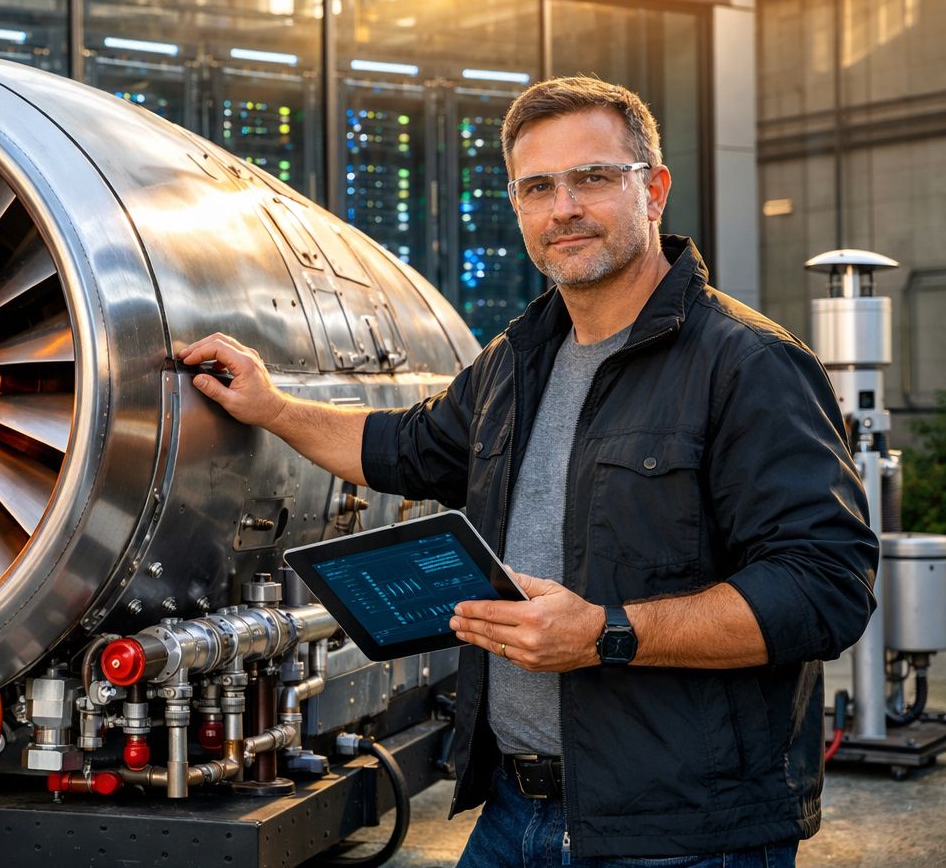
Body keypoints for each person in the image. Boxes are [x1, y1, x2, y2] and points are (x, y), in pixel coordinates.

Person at [178, 76, 878, 867]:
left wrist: (606, 634)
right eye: (537, 187)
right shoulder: (516, 360)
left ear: (654, 189)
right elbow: (404, 447)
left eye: (592, 178)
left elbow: (824, 590)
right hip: (519, 812)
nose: (564, 208)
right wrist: (272, 406)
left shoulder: (748, 366)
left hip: (682, 831)